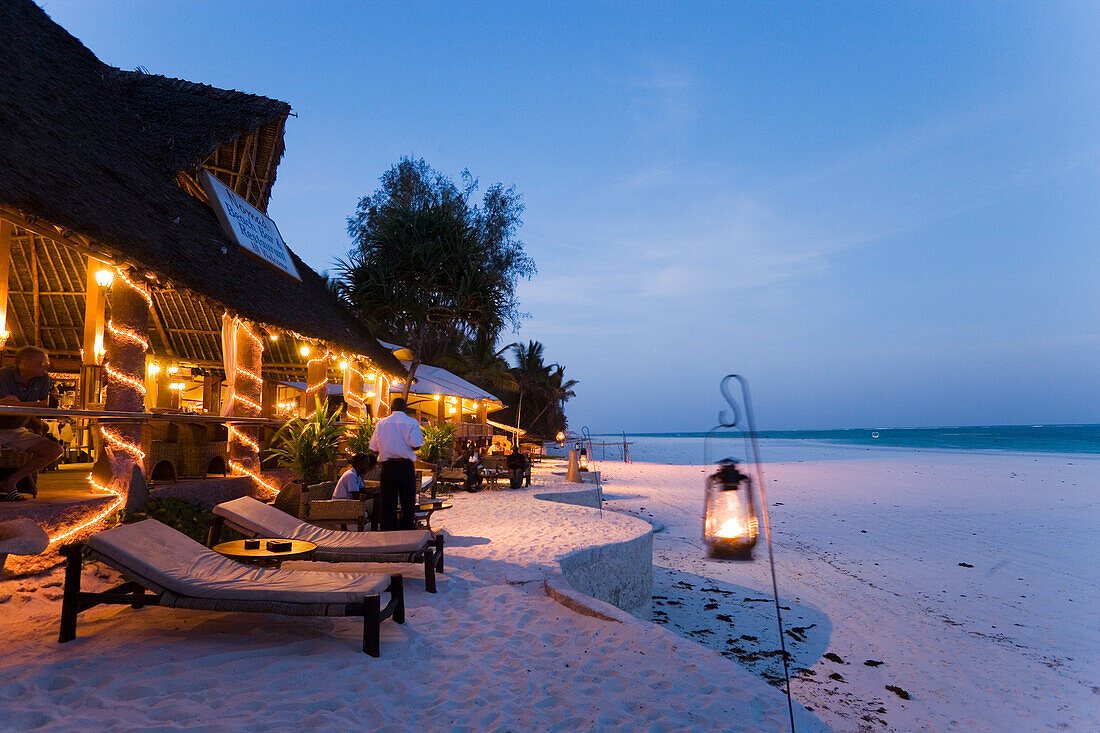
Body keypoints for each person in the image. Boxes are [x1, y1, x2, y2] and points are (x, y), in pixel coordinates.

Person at [0, 346, 64, 501]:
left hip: (18, 429)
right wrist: (35, 404)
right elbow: (5, 406)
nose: (46, 366)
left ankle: (10, 482)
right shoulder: (4, 375)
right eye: (42, 363)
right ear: (25, 363)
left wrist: (20, 403)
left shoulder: (44, 379)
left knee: (54, 450)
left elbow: (47, 405)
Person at [369, 397, 423, 530]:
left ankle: (389, 533)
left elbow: (374, 448)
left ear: (391, 409)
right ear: (405, 409)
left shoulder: (381, 424)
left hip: (388, 467)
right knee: (408, 502)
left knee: (388, 502)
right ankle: (406, 531)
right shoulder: (412, 423)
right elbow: (416, 445)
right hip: (406, 466)